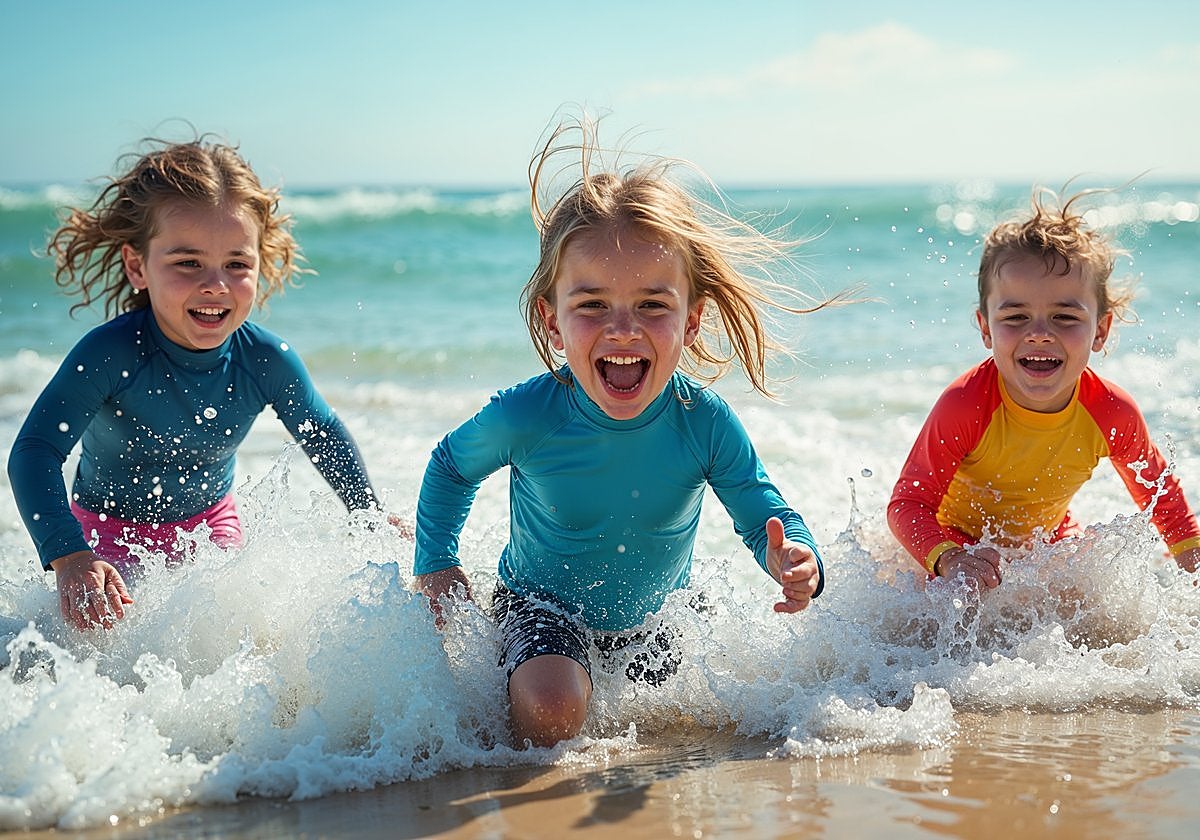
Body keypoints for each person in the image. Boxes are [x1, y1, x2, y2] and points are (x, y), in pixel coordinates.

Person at [413, 118, 844, 748]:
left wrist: (795, 559)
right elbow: (450, 467)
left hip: (658, 620)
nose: (622, 328)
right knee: (555, 707)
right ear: (552, 321)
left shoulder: (705, 422)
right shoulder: (528, 415)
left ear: (691, 320)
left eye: (651, 304)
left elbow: (763, 514)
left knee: (723, 718)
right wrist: (437, 566)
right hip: (540, 609)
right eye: (591, 305)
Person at [8, 138, 381, 632]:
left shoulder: (265, 359)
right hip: (104, 534)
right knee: (99, 646)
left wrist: (370, 521)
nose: (215, 284)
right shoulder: (112, 354)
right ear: (138, 266)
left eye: (236, 264)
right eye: (188, 262)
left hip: (210, 528)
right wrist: (69, 555)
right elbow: (34, 452)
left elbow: (324, 434)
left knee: (230, 633)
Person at [888, 187, 1200, 587]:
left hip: (1049, 541)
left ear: (1100, 330)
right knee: (950, 604)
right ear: (986, 328)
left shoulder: (1110, 411)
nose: (1038, 334)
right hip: (956, 544)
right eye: (1015, 316)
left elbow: (1162, 498)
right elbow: (908, 504)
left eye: (1065, 317)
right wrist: (949, 559)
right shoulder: (966, 404)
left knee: (1089, 605)